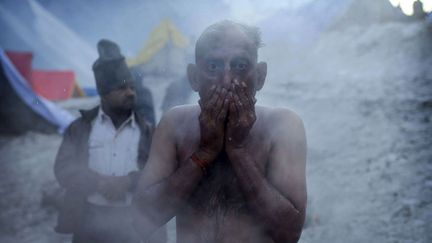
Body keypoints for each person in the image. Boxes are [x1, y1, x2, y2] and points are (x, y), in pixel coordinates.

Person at [133, 20, 307, 243]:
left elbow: (289, 234)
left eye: (240, 66)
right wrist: (203, 154)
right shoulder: (175, 124)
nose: (227, 80)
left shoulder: (282, 127)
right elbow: (141, 221)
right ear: (194, 77)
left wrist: (239, 151)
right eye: (214, 67)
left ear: (261, 76)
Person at [54, 39, 166, 243]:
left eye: (132, 87)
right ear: (104, 94)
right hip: (87, 224)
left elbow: (160, 174)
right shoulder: (80, 129)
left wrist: (129, 182)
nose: (131, 93)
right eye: (122, 88)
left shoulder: (148, 132)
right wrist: (96, 182)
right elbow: (63, 168)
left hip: (133, 225)